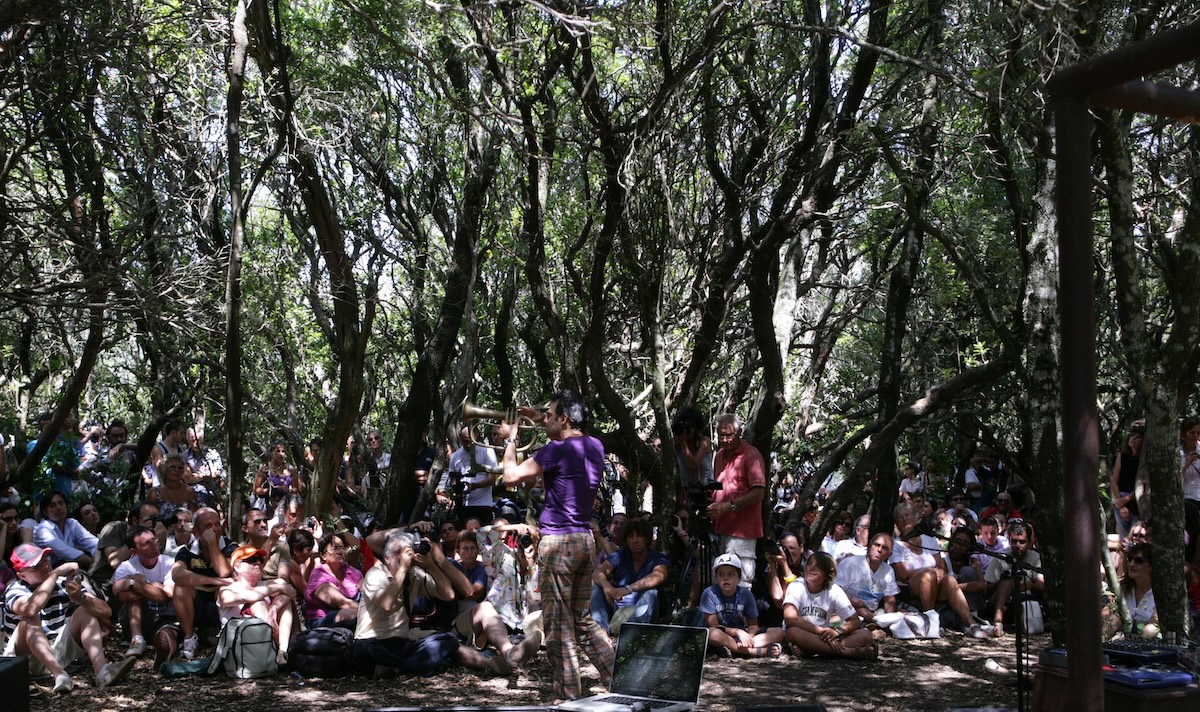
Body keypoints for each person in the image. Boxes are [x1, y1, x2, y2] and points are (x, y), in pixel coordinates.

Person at [500, 390, 615, 702]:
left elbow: (510, 476)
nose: (545, 419)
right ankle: (619, 677)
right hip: (584, 542)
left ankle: (568, 695)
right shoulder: (595, 445)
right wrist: (539, 419)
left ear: (563, 419)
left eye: (549, 415)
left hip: (559, 544)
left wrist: (511, 439)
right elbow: (565, 432)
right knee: (582, 619)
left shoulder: (556, 450)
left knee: (557, 624)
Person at [350, 530, 495, 677]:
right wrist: (402, 569)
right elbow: (386, 605)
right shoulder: (375, 575)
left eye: (407, 552)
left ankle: (396, 669)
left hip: (400, 643)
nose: (404, 557)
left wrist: (431, 566)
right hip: (372, 642)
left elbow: (448, 594)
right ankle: (410, 666)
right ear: (386, 558)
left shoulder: (414, 575)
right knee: (366, 651)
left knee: (447, 640)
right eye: (398, 552)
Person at [3, 544, 136, 693]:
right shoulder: (15, 589)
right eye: (37, 566)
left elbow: (106, 611)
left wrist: (81, 598)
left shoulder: (62, 584)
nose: (45, 566)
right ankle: (59, 675)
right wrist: (55, 574)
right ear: (22, 575)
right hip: (26, 661)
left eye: (45, 560)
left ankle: (102, 671)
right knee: (30, 619)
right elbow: (29, 608)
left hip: (58, 651)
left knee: (84, 611)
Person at [890, 502, 988, 638]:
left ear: (915, 517)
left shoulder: (929, 539)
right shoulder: (896, 545)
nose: (903, 519)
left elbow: (941, 567)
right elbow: (902, 574)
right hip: (911, 587)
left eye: (906, 515)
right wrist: (929, 572)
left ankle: (971, 624)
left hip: (936, 583)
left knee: (949, 579)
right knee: (928, 574)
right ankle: (931, 620)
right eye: (899, 517)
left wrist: (937, 573)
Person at [705, 413, 767, 584]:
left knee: (739, 582)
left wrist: (728, 506)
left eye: (729, 435)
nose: (724, 439)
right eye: (721, 435)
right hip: (720, 529)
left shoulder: (750, 455)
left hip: (742, 532)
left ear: (738, 433)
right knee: (718, 580)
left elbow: (759, 492)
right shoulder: (719, 456)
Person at [782, 551, 875, 659]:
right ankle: (847, 652)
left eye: (818, 566)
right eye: (809, 564)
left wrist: (837, 631)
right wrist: (821, 632)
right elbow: (790, 618)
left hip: (825, 637)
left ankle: (813, 650)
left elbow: (854, 621)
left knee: (865, 635)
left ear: (827, 573)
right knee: (792, 632)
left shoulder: (834, 590)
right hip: (808, 633)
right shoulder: (797, 585)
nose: (811, 568)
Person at [170, 506, 234, 659]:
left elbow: (224, 572)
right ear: (196, 532)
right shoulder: (186, 551)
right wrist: (212, 580)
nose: (215, 530)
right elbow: (177, 574)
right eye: (208, 526)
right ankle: (189, 638)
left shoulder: (231, 546)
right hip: (197, 605)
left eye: (217, 524)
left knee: (223, 589)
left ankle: (224, 637)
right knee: (180, 588)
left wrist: (212, 544)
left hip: (223, 605)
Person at [217, 545, 296, 665]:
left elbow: (290, 591)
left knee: (285, 603)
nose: (258, 563)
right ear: (237, 567)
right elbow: (250, 596)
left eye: (261, 560)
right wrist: (275, 589)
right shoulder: (227, 590)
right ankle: (272, 649)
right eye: (252, 560)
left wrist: (274, 608)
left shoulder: (268, 584)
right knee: (258, 603)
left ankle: (282, 651)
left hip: (266, 639)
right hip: (240, 646)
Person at [589, 517, 669, 634]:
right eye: (631, 536)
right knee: (596, 588)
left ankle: (633, 632)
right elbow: (598, 573)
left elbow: (659, 576)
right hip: (617, 607)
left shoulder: (657, 558)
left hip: (641, 611)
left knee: (651, 593)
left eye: (639, 536)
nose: (635, 540)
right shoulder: (620, 556)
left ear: (647, 538)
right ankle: (601, 631)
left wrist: (628, 589)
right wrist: (606, 586)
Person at [701, 553, 783, 658]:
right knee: (713, 634)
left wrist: (748, 637)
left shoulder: (746, 594)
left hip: (743, 636)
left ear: (739, 578)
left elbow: (753, 624)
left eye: (731, 574)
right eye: (721, 574)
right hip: (724, 634)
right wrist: (738, 632)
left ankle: (735, 649)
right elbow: (714, 626)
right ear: (716, 578)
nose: (726, 578)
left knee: (779, 632)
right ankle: (758, 652)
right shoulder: (709, 593)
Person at [111, 525, 174, 659]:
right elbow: (119, 593)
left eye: (154, 540)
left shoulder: (168, 563)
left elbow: (166, 596)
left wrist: (136, 584)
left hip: (163, 615)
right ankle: (137, 639)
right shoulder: (127, 567)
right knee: (133, 598)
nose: (154, 545)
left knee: (135, 594)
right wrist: (155, 586)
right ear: (134, 551)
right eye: (147, 543)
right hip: (137, 617)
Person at [985, 520, 1044, 637]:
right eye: (1014, 541)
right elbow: (987, 589)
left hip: (1028, 601)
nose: (1017, 545)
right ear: (1009, 541)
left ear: (1029, 542)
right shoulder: (1000, 558)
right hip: (1003, 603)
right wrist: (1001, 582)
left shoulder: (1036, 558)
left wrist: (1027, 585)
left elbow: (1041, 585)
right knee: (1008, 581)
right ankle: (998, 622)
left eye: (1022, 542)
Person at [837, 532, 900, 627]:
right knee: (862, 613)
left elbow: (889, 599)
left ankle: (878, 624)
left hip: (873, 611)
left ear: (889, 555)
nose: (879, 550)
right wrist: (854, 601)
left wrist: (890, 617)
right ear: (870, 547)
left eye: (885, 548)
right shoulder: (850, 564)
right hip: (847, 608)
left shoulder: (888, 570)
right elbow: (835, 590)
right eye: (877, 545)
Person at [305, 531, 362, 628]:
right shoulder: (319, 575)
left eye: (342, 548)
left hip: (354, 610)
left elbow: (368, 591)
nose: (340, 552)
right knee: (347, 614)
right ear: (323, 555)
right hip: (322, 620)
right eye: (335, 548)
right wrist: (370, 611)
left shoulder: (350, 570)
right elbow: (342, 603)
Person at [33, 490, 98, 568]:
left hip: (72, 567)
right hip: (51, 571)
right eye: (52, 505)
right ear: (45, 512)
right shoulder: (42, 530)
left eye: (61, 503)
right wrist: (95, 563)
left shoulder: (72, 523)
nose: (58, 507)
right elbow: (66, 552)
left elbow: (92, 543)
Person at [1111, 421, 1144, 539]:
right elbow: (1114, 481)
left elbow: (1145, 485)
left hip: (1137, 502)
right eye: (1132, 436)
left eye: (1138, 437)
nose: (1133, 439)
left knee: (1135, 538)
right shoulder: (1122, 456)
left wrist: (1126, 500)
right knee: (1124, 540)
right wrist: (1119, 503)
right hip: (1120, 502)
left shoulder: (1144, 460)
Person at [252, 440, 301, 512]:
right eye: (278, 451)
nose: (281, 454)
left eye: (283, 451)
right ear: (272, 452)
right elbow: (256, 489)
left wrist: (288, 490)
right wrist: (271, 491)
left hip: (285, 506)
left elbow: (296, 489)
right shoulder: (265, 469)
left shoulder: (291, 469)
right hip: (267, 507)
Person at [148, 454, 199, 520]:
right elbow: (150, 518)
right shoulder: (155, 493)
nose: (176, 470)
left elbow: (195, 518)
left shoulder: (190, 492)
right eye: (172, 467)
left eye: (180, 468)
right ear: (164, 469)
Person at [1180, 418, 1200, 565]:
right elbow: (1173, 480)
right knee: (1191, 513)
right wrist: (1187, 463)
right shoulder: (1177, 453)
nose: (1195, 436)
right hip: (1187, 498)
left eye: (1198, 433)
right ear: (1183, 434)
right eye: (1191, 432)